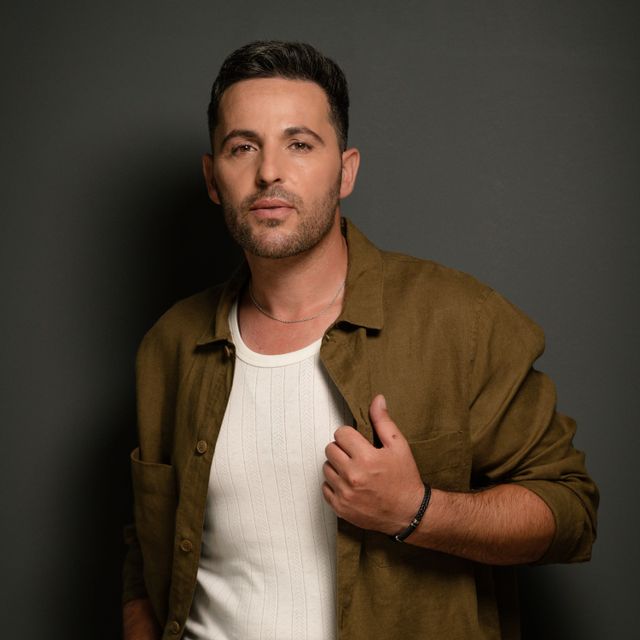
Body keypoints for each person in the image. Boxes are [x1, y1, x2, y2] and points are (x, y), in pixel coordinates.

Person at [122, 41, 598, 640]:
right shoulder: (169, 345)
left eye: (299, 144)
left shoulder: (460, 320)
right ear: (212, 177)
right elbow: (148, 546)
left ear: (346, 170)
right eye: (243, 147)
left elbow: (570, 513)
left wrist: (417, 510)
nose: (269, 172)